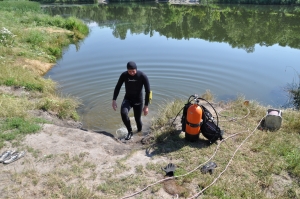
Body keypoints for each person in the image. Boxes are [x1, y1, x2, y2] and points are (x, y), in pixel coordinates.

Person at [112, 61, 151, 140]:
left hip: (138, 100)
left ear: (136, 69)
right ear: (127, 70)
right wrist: (114, 100)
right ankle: (130, 131)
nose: (132, 73)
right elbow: (118, 87)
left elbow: (148, 91)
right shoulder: (124, 75)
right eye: (129, 71)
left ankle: (139, 131)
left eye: (133, 71)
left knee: (137, 119)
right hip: (128, 99)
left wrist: (146, 106)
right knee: (123, 113)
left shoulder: (142, 76)